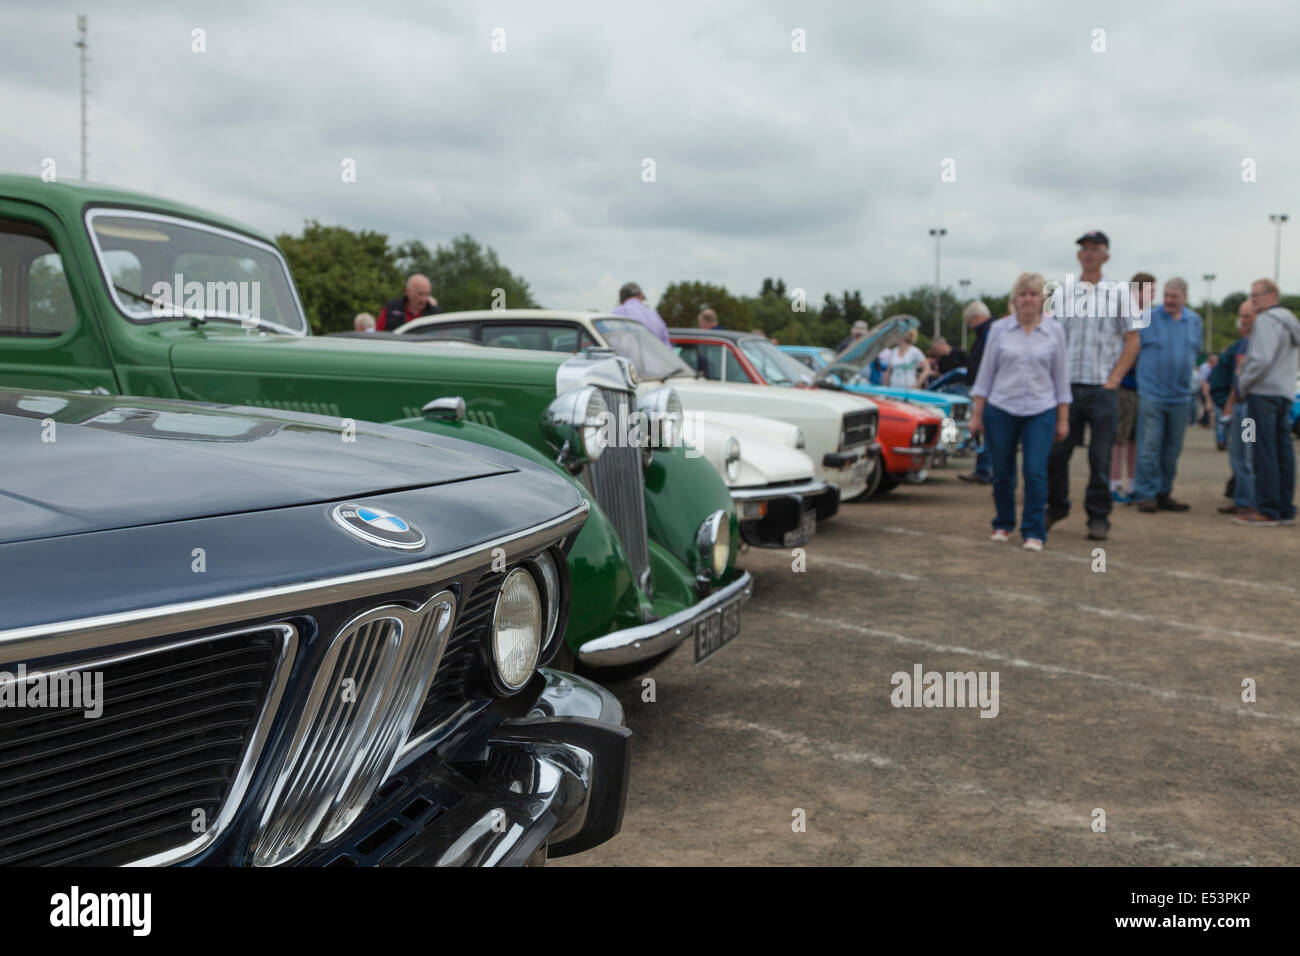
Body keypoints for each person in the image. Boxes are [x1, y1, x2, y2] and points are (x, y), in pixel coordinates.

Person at [1046, 230, 1141, 541]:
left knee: (1100, 458)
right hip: (1066, 389)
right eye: (1084, 249)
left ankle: (1098, 517)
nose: (1089, 254)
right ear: (1078, 256)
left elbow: (1132, 341)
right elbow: (1051, 338)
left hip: (1102, 390)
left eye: (1095, 249)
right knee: (1058, 454)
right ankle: (1057, 506)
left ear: (1106, 256)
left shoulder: (1120, 294)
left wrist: (1114, 379)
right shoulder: (1062, 294)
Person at [970, 273, 1072, 551]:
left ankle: (1034, 531)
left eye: (1034, 294)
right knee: (1002, 471)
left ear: (1042, 300)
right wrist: (976, 415)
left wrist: (1063, 419)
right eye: (1023, 294)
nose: (1028, 299)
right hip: (1001, 408)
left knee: (1035, 471)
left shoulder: (1055, 332)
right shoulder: (999, 330)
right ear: (1015, 299)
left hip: (1041, 410)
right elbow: (985, 375)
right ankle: (1003, 522)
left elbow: (1061, 379)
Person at [1233, 278, 1300, 526]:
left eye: (1255, 296)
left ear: (1271, 296)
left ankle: (1266, 509)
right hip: (1283, 394)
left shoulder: (1266, 321)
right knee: (1283, 452)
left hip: (1262, 396)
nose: (1253, 301)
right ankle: (1284, 508)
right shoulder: (1290, 323)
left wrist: (1244, 383)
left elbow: (1261, 359)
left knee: (1262, 452)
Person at [1132, 278, 1202, 513]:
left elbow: (1195, 352)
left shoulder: (1195, 321)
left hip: (1181, 397)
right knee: (1149, 446)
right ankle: (1145, 493)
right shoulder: (1147, 318)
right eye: (1167, 295)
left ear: (1185, 297)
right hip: (1152, 394)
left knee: (1172, 449)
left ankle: (1164, 492)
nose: (1169, 301)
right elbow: (1131, 349)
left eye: (1174, 297)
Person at [1109, 272, 1154, 504]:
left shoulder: (1149, 317)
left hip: (1143, 388)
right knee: (1119, 438)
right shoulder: (1122, 316)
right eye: (1147, 290)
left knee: (1136, 439)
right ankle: (1114, 485)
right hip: (1124, 386)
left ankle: (1134, 484)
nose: (1151, 296)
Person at [1216, 301, 1257, 516]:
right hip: (1240, 407)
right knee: (1237, 455)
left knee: (1249, 456)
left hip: (1252, 410)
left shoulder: (1261, 342)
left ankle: (1250, 502)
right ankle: (1240, 499)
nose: (1243, 320)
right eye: (1241, 315)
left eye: (1247, 316)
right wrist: (1229, 406)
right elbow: (1237, 378)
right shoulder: (1242, 343)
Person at [958, 301, 995, 484]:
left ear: (975, 318)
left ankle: (984, 470)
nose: (970, 327)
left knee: (984, 430)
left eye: (969, 323)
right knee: (985, 432)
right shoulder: (988, 331)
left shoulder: (989, 331)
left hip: (987, 391)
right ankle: (984, 469)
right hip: (986, 389)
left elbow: (988, 362)